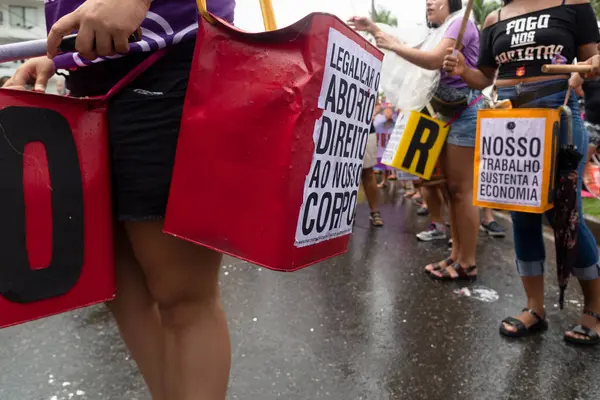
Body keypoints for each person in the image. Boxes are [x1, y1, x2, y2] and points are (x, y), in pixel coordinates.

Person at [4, 0, 235, 397]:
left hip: (168, 58)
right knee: (119, 289)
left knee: (182, 293)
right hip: (88, 81)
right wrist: (60, 56)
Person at [444, 0, 600, 344]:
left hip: (558, 118)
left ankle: (594, 308)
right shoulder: (494, 17)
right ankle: (534, 307)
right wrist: (460, 70)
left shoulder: (573, 4)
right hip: (509, 124)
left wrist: (591, 65)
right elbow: (483, 77)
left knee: (566, 215)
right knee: (521, 214)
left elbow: (594, 60)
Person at [350, 0, 482, 281]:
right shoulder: (440, 29)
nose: (429, 3)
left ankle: (468, 261)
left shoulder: (460, 23)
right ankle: (456, 254)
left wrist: (392, 46)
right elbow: (416, 49)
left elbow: (433, 59)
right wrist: (375, 29)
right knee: (448, 189)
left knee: (461, 190)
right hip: (443, 113)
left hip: (464, 111)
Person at [363, 116, 385, 227]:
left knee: (368, 171)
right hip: (344, 127)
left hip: (366, 129)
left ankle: (374, 211)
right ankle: (345, 213)